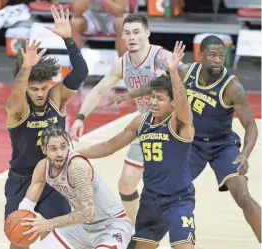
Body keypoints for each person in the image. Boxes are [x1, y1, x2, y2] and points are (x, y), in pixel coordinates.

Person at [108, 35, 261, 242]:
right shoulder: (186, 71)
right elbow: (159, 85)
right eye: (212, 55)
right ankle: (146, 240)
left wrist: (244, 154)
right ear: (201, 55)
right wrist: (129, 95)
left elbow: (251, 126)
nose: (217, 59)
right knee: (168, 191)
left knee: (242, 195)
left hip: (222, 145)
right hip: (192, 144)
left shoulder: (232, 87)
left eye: (221, 55)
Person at [79, 41, 196, 249]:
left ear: (173, 103)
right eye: (152, 97)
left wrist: (174, 72)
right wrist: (77, 154)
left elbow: (183, 102)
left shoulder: (180, 124)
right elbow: (109, 146)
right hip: (150, 199)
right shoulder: (141, 122)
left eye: (159, 99)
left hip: (178, 199)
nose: (153, 102)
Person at [70, 13, 177, 226]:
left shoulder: (162, 57)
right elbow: (99, 91)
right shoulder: (122, 64)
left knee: (164, 186)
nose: (132, 37)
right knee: (126, 184)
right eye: (127, 33)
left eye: (137, 32)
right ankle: (138, 228)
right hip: (146, 124)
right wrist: (80, 118)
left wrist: (172, 76)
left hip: (172, 126)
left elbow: (189, 86)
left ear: (147, 33)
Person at [4, 5, 88, 249]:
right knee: (20, 238)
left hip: (53, 180)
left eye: (44, 87)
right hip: (23, 181)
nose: (40, 94)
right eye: (34, 88)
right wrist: (26, 67)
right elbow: (14, 97)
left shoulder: (56, 97)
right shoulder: (19, 107)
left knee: (56, 239)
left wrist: (69, 39)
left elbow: (81, 71)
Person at [19, 122, 133, 249]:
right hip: (81, 228)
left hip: (111, 225)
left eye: (63, 147)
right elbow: (27, 204)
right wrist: (21, 222)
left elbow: (88, 213)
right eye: (53, 149)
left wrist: (48, 224)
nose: (60, 153)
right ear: (44, 149)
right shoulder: (42, 167)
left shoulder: (76, 167)